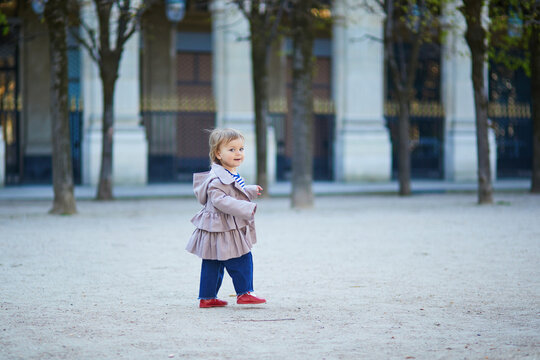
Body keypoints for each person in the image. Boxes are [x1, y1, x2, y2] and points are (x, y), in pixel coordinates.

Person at [186, 128, 267, 308]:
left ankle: (207, 297)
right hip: (223, 225)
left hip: (217, 226)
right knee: (242, 255)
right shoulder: (217, 178)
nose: (238, 153)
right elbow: (220, 200)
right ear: (218, 154)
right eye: (232, 150)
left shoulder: (229, 173)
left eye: (241, 149)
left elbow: (233, 191)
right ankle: (244, 292)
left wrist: (250, 190)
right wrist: (246, 207)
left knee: (213, 261)